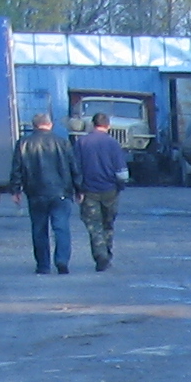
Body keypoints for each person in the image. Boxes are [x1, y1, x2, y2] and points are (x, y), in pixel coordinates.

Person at [8, 111, 77, 276]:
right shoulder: (63, 143)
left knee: (39, 229)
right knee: (61, 228)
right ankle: (62, 261)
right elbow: (73, 167)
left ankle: (43, 265)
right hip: (61, 192)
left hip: (35, 192)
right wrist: (79, 189)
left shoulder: (23, 143)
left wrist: (15, 190)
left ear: (34, 126)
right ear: (50, 124)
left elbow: (17, 169)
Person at [72, 112, 126, 271]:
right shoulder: (113, 143)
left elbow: (75, 168)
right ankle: (107, 252)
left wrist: (77, 189)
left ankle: (100, 255)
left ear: (92, 124)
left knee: (94, 225)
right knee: (108, 223)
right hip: (110, 190)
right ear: (108, 125)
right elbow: (122, 171)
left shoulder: (82, 143)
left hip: (89, 191)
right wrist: (120, 186)